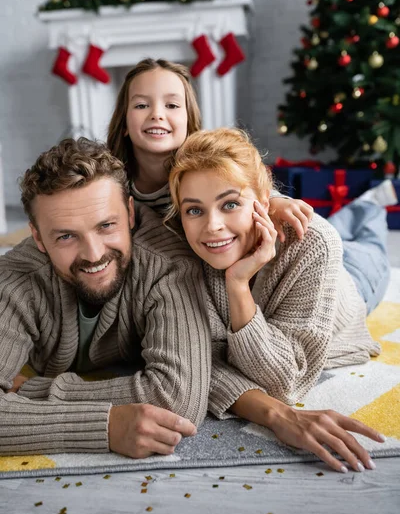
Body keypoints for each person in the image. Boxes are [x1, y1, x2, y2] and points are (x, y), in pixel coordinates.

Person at [166, 127, 396, 473]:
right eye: (194, 211)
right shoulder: (184, 256)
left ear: (263, 200)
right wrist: (238, 280)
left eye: (229, 204)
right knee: (342, 225)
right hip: (295, 248)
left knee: (370, 243)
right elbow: (198, 364)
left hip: (352, 284)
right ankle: (357, 209)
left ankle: (369, 207)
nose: (212, 226)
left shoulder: (316, 244)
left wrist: (238, 288)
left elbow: (281, 382)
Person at [0, 137, 212, 458]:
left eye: (106, 225)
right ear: (38, 238)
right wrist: (107, 426)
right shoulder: (18, 278)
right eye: (66, 236)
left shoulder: (169, 263)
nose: (94, 254)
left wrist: (34, 390)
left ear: (129, 213)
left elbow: (178, 398)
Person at [107, 58, 313, 242]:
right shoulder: (111, 182)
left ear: (189, 121)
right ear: (124, 122)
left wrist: (276, 202)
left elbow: (243, 180)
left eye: (171, 105)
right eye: (142, 105)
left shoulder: (204, 168)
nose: (157, 114)